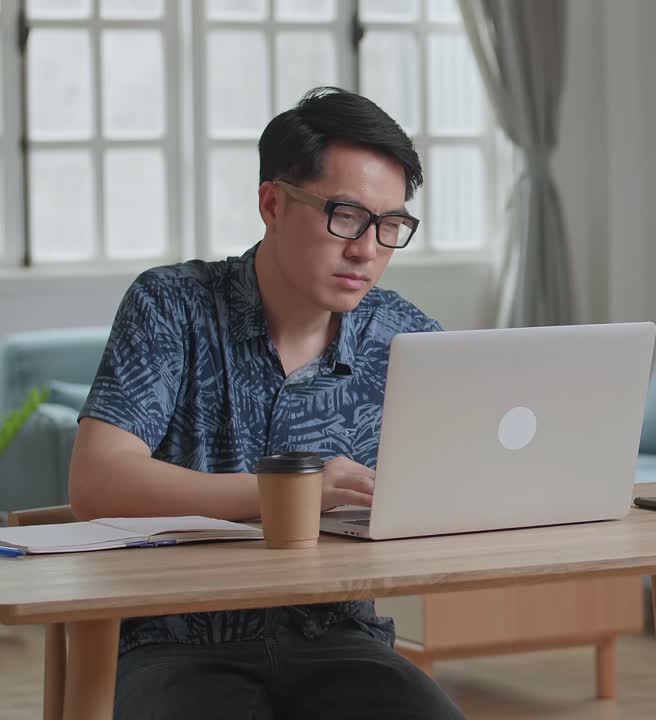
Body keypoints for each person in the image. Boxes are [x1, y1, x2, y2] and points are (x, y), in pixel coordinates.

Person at [68, 86, 466, 719]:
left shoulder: (408, 340)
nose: (366, 248)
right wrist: (297, 492)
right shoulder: (171, 306)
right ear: (272, 203)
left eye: (391, 226)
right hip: (174, 644)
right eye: (345, 216)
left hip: (340, 642)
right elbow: (98, 479)